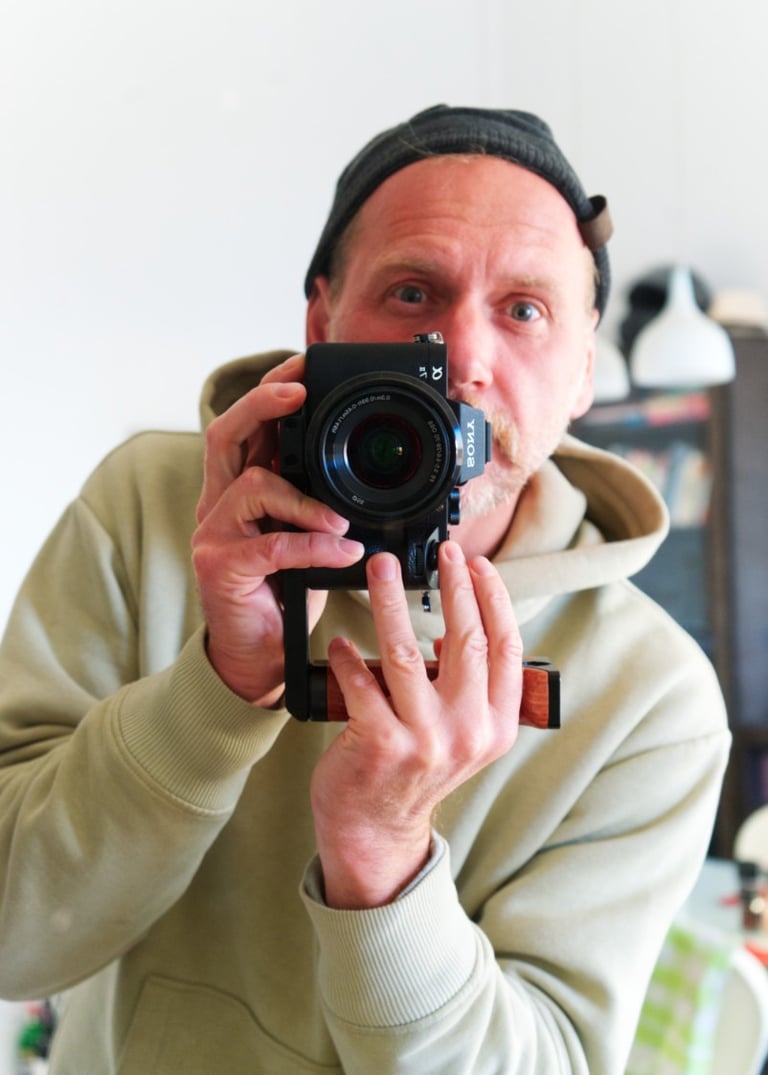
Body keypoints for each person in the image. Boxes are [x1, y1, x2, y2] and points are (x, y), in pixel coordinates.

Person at [0, 105, 729, 1074]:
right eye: (412, 291)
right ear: (322, 321)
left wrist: (385, 854)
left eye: (524, 310)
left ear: (584, 370)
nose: (461, 360)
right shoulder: (151, 512)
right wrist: (215, 692)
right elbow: (15, 941)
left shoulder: (654, 698)